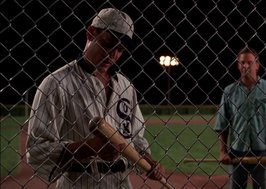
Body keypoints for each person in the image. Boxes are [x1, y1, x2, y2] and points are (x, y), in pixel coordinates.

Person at [26, 8, 164, 188]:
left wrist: (147, 160)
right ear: (91, 33)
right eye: (108, 43)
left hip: (122, 182)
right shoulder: (56, 83)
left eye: (120, 49)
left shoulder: (126, 87)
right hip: (80, 181)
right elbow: (36, 150)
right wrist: (90, 147)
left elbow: (136, 137)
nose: (113, 54)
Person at [214, 47, 266, 189]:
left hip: (262, 152)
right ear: (238, 65)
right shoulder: (229, 91)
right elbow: (222, 124)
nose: (245, 65)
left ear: (257, 65)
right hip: (236, 153)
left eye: (249, 62)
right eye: (242, 62)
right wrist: (223, 151)